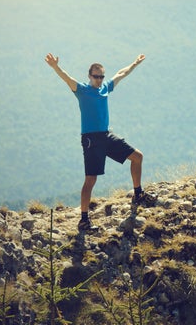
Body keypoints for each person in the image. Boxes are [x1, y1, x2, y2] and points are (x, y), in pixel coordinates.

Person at [45, 53, 157, 232]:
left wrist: (135, 63)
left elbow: (121, 73)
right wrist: (55, 67)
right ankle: (83, 220)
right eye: (96, 76)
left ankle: (138, 195)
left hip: (106, 136)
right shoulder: (81, 89)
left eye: (101, 76)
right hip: (91, 140)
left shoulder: (105, 87)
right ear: (89, 76)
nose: (99, 79)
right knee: (90, 179)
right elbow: (66, 78)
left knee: (137, 157)